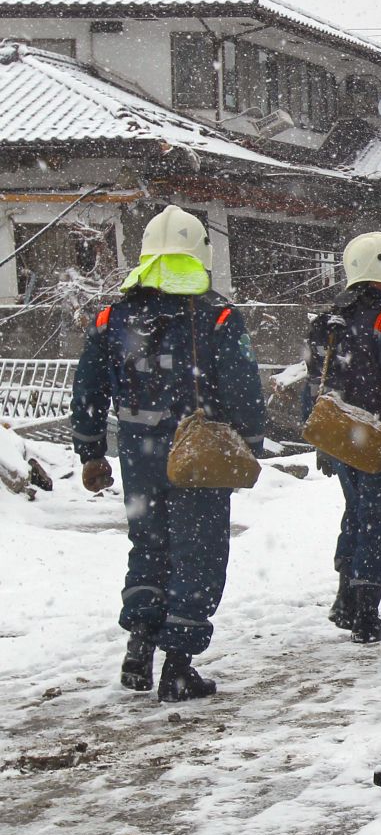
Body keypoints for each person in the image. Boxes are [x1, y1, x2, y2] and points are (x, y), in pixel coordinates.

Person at [70, 204, 267, 701]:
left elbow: (87, 387)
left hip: (138, 452)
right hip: (197, 453)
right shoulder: (216, 314)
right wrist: (249, 443)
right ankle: (178, 666)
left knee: (150, 546)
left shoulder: (111, 317)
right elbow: (243, 387)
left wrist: (91, 450)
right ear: (197, 255)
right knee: (197, 553)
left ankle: (140, 643)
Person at [304, 232, 381, 644]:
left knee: (357, 515)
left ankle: (346, 600)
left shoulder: (329, 321)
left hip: (341, 436)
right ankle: (365, 613)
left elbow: (316, 380)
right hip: (380, 437)